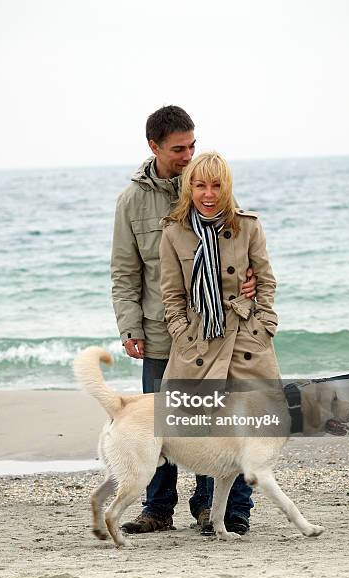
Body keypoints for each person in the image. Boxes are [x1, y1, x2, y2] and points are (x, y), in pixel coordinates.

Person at [111, 107, 256, 534]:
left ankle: (210, 507)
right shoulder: (131, 202)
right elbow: (124, 271)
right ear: (153, 147)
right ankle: (157, 508)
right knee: (163, 421)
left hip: (212, 334)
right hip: (160, 331)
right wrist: (129, 327)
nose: (188, 155)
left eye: (192, 145)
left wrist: (248, 281)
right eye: (179, 149)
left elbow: (238, 244)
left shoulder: (206, 186)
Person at [159, 151, 281, 535]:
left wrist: (264, 321)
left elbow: (266, 280)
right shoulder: (174, 231)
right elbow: (171, 295)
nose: (208, 194)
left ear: (226, 188)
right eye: (200, 185)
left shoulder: (248, 226)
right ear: (189, 187)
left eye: (216, 186)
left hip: (245, 336)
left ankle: (236, 511)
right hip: (199, 341)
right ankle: (202, 508)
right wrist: (181, 331)